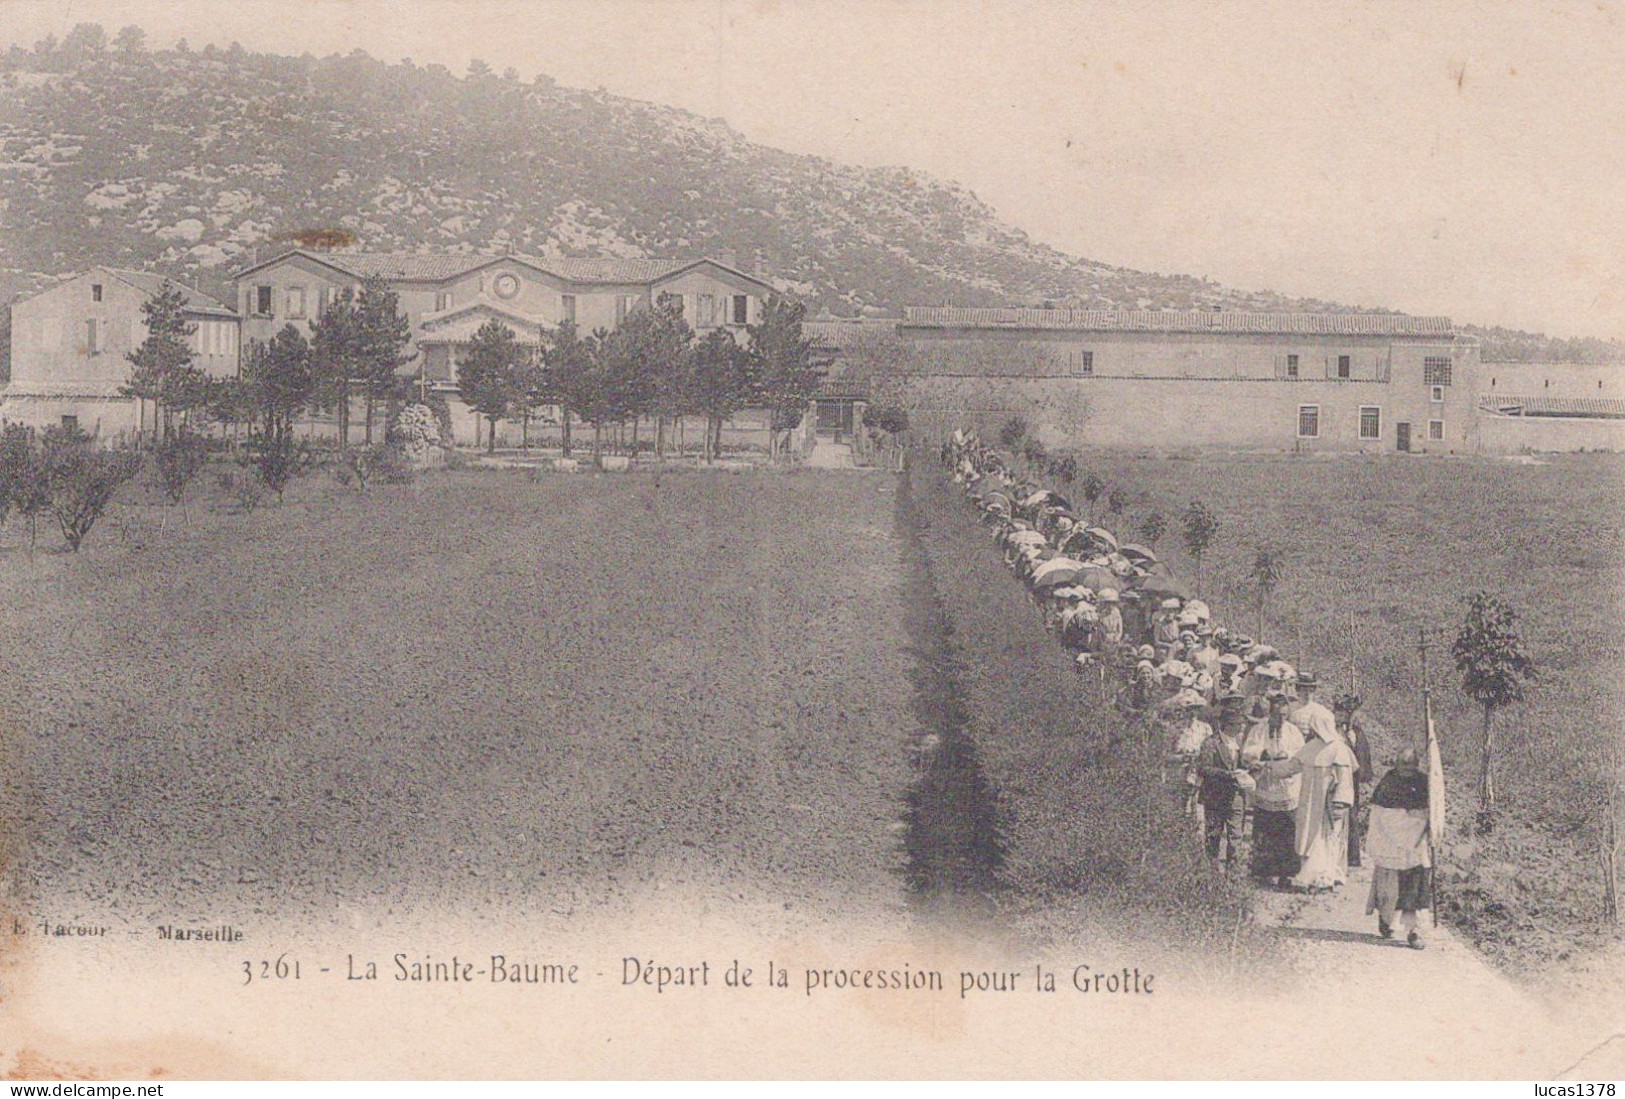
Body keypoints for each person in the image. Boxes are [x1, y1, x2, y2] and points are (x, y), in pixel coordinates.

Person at [1262, 699, 1357, 893]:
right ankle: (1312, 875)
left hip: (1329, 804)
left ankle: (1326, 877)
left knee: (1328, 837)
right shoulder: (1311, 747)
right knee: (1309, 835)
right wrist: (1269, 765)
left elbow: (1345, 780)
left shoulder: (1339, 748)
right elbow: (1289, 768)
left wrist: (1342, 802)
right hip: (1309, 801)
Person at [1365, 748, 1433, 949]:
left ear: (1417, 766)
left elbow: (1430, 811)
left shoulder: (1423, 782)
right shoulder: (1389, 782)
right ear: (1396, 765)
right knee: (1389, 886)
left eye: (1411, 767)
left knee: (1415, 886)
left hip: (1416, 847)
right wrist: (1410, 826)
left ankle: (1414, 931)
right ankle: (1387, 922)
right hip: (1391, 846)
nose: (1407, 771)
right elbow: (1381, 815)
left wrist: (1426, 826)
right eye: (1403, 766)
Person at [1242, 689, 1306, 889]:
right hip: (1266, 785)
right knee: (1265, 829)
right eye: (1276, 714)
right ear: (1270, 713)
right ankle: (1263, 872)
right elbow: (1247, 752)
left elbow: (1302, 755)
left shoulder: (1293, 732)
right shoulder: (1259, 729)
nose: (1280, 718)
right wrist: (1263, 752)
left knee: (1288, 831)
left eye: (1284, 715)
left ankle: (1287, 873)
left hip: (1287, 787)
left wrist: (1286, 755)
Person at [1194, 703, 1248, 867]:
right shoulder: (1211, 742)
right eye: (1234, 724)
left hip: (1236, 795)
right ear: (1223, 725)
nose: (1238, 728)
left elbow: (1245, 764)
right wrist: (1225, 775)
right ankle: (1212, 874)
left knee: (1236, 835)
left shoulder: (1240, 743)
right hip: (1215, 795)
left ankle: (1233, 875)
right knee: (1213, 836)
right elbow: (1203, 768)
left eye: (1239, 724)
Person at [1336, 693, 1377, 869]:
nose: (1345, 717)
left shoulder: (1356, 733)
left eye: (1348, 713)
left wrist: (1361, 773)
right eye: (1341, 713)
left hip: (1350, 778)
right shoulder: (1330, 731)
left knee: (1352, 814)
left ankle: (1352, 856)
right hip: (1333, 775)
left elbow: (1362, 755)